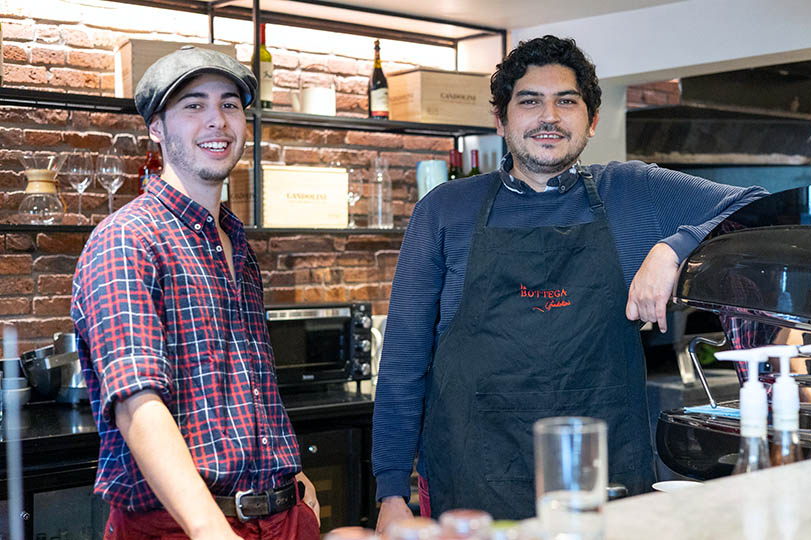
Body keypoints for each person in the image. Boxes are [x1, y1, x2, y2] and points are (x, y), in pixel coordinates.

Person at [372, 35, 768, 527]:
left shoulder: (632, 191)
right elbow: (404, 358)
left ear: (591, 120)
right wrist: (391, 490)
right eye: (529, 101)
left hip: (603, 482)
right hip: (471, 481)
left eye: (567, 101)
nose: (549, 117)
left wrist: (673, 249)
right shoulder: (445, 210)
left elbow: (759, 205)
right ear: (501, 119)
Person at [71, 46, 320, 540]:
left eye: (230, 105)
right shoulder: (128, 238)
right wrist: (210, 529)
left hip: (280, 516)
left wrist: (289, 476)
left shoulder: (234, 243)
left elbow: (244, 381)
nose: (218, 122)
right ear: (157, 129)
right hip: (186, 526)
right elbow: (137, 405)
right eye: (193, 105)